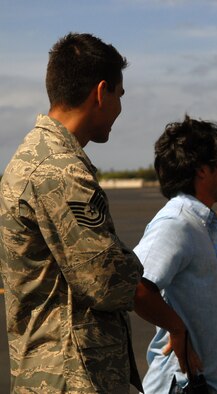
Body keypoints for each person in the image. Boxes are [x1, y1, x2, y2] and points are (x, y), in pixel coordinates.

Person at [0, 33, 143, 393]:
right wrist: (136, 269)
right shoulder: (60, 170)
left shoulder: (35, 155)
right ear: (101, 92)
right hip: (71, 378)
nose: (120, 109)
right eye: (119, 95)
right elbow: (107, 281)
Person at [133, 115, 217, 394]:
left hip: (201, 384)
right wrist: (178, 330)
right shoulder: (176, 222)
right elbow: (137, 287)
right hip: (182, 386)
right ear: (203, 170)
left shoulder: (197, 222)